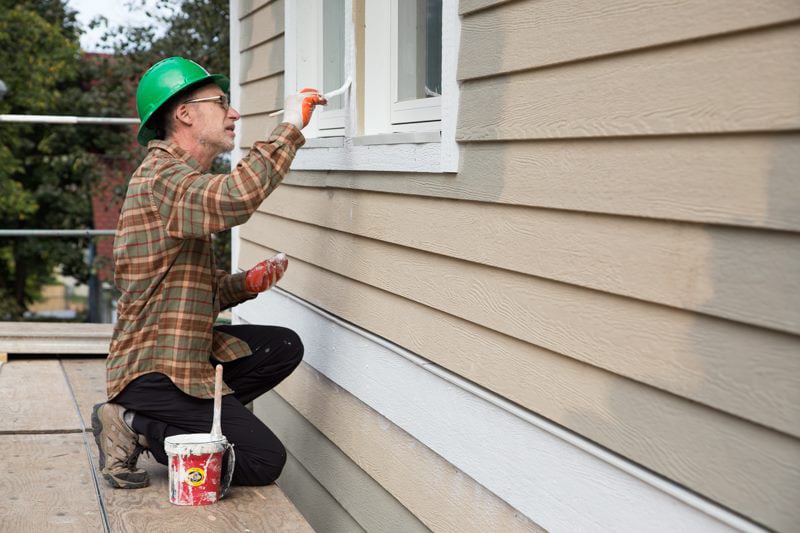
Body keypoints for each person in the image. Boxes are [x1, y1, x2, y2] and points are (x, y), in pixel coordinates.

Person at [91, 57, 326, 489]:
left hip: (184, 353)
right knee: (262, 459)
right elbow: (237, 197)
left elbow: (186, 291)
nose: (234, 112)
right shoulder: (163, 178)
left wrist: (245, 285)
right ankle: (137, 423)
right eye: (221, 102)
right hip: (156, 368)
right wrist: (291, 125)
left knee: (282, 346)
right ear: (183, 114)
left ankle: (190, 423)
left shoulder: (180, 180)